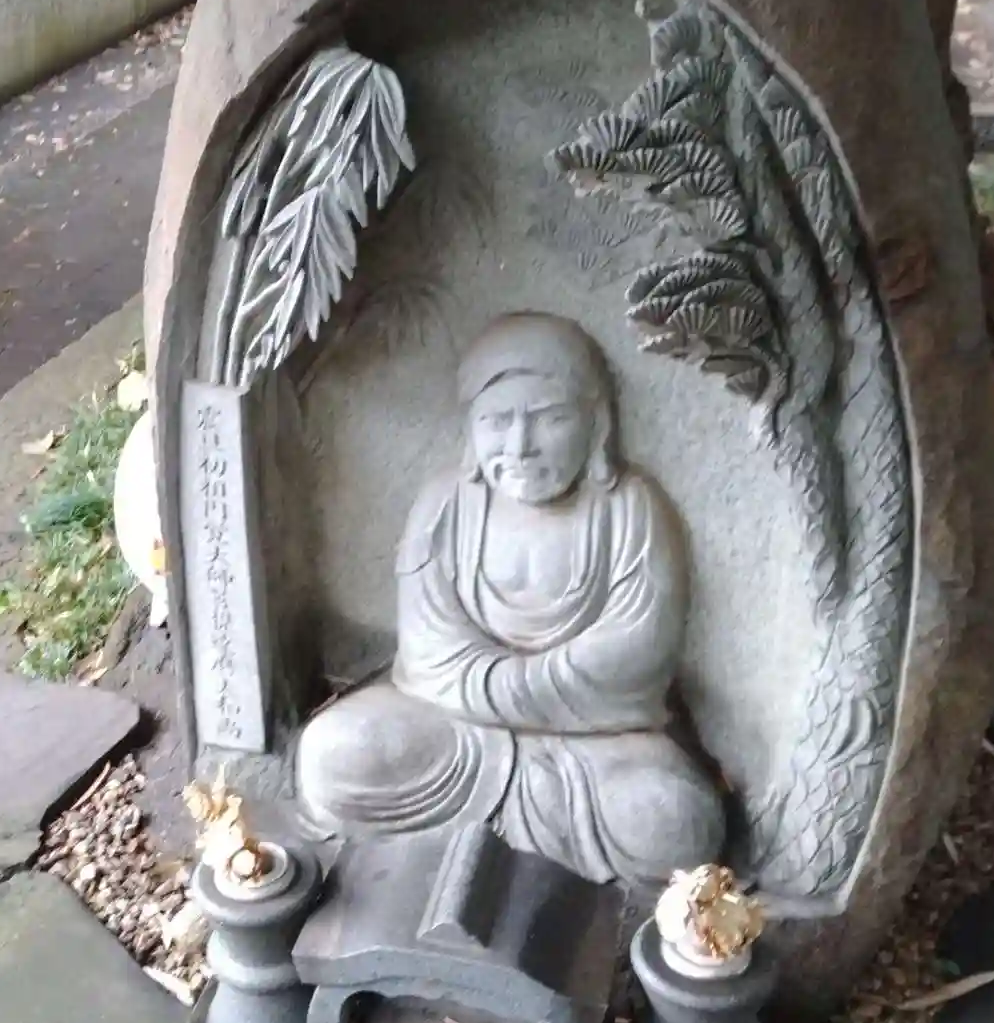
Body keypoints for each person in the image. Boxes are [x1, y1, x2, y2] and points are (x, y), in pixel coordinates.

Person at [297, 311, 724, 885]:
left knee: (677, 824)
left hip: (595, 745)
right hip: (455, 733)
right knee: (329, 756)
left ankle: (481, 832)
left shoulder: (630, 509)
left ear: (596, 424)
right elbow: (428, 652)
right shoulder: (446, 505)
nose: (520, 446)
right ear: (470, 429)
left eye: (549, 419)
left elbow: (636, 654)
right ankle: (504, 831)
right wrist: (505, 695)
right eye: (498, 421)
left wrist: (504, 691)